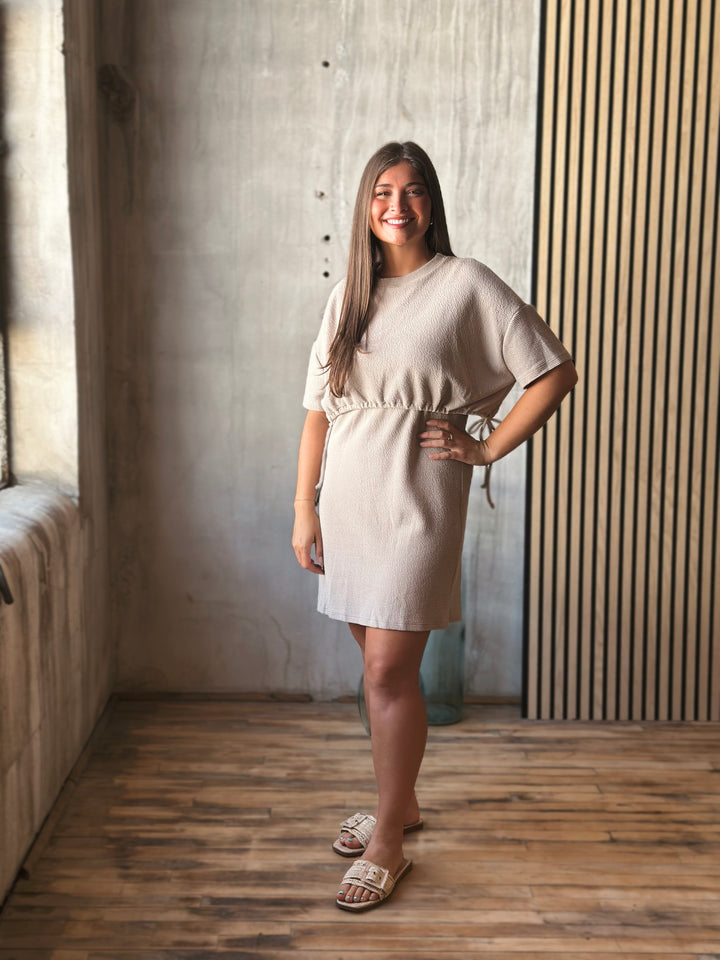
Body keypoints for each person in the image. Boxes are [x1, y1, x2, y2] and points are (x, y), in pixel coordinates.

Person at [292, 141, 577, 912]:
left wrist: (485, 447)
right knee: (381, 663)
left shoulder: (465, 283)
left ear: (431, 203)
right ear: (365, 204)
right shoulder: (348, 295)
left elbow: (552, 371)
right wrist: (303, 505)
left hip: (418, 494)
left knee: (386, 670)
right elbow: (319, 408)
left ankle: (388, 837)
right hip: (348, 493)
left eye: (413, 191)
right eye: (382, 191)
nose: (396, 204)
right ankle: (403, 803)